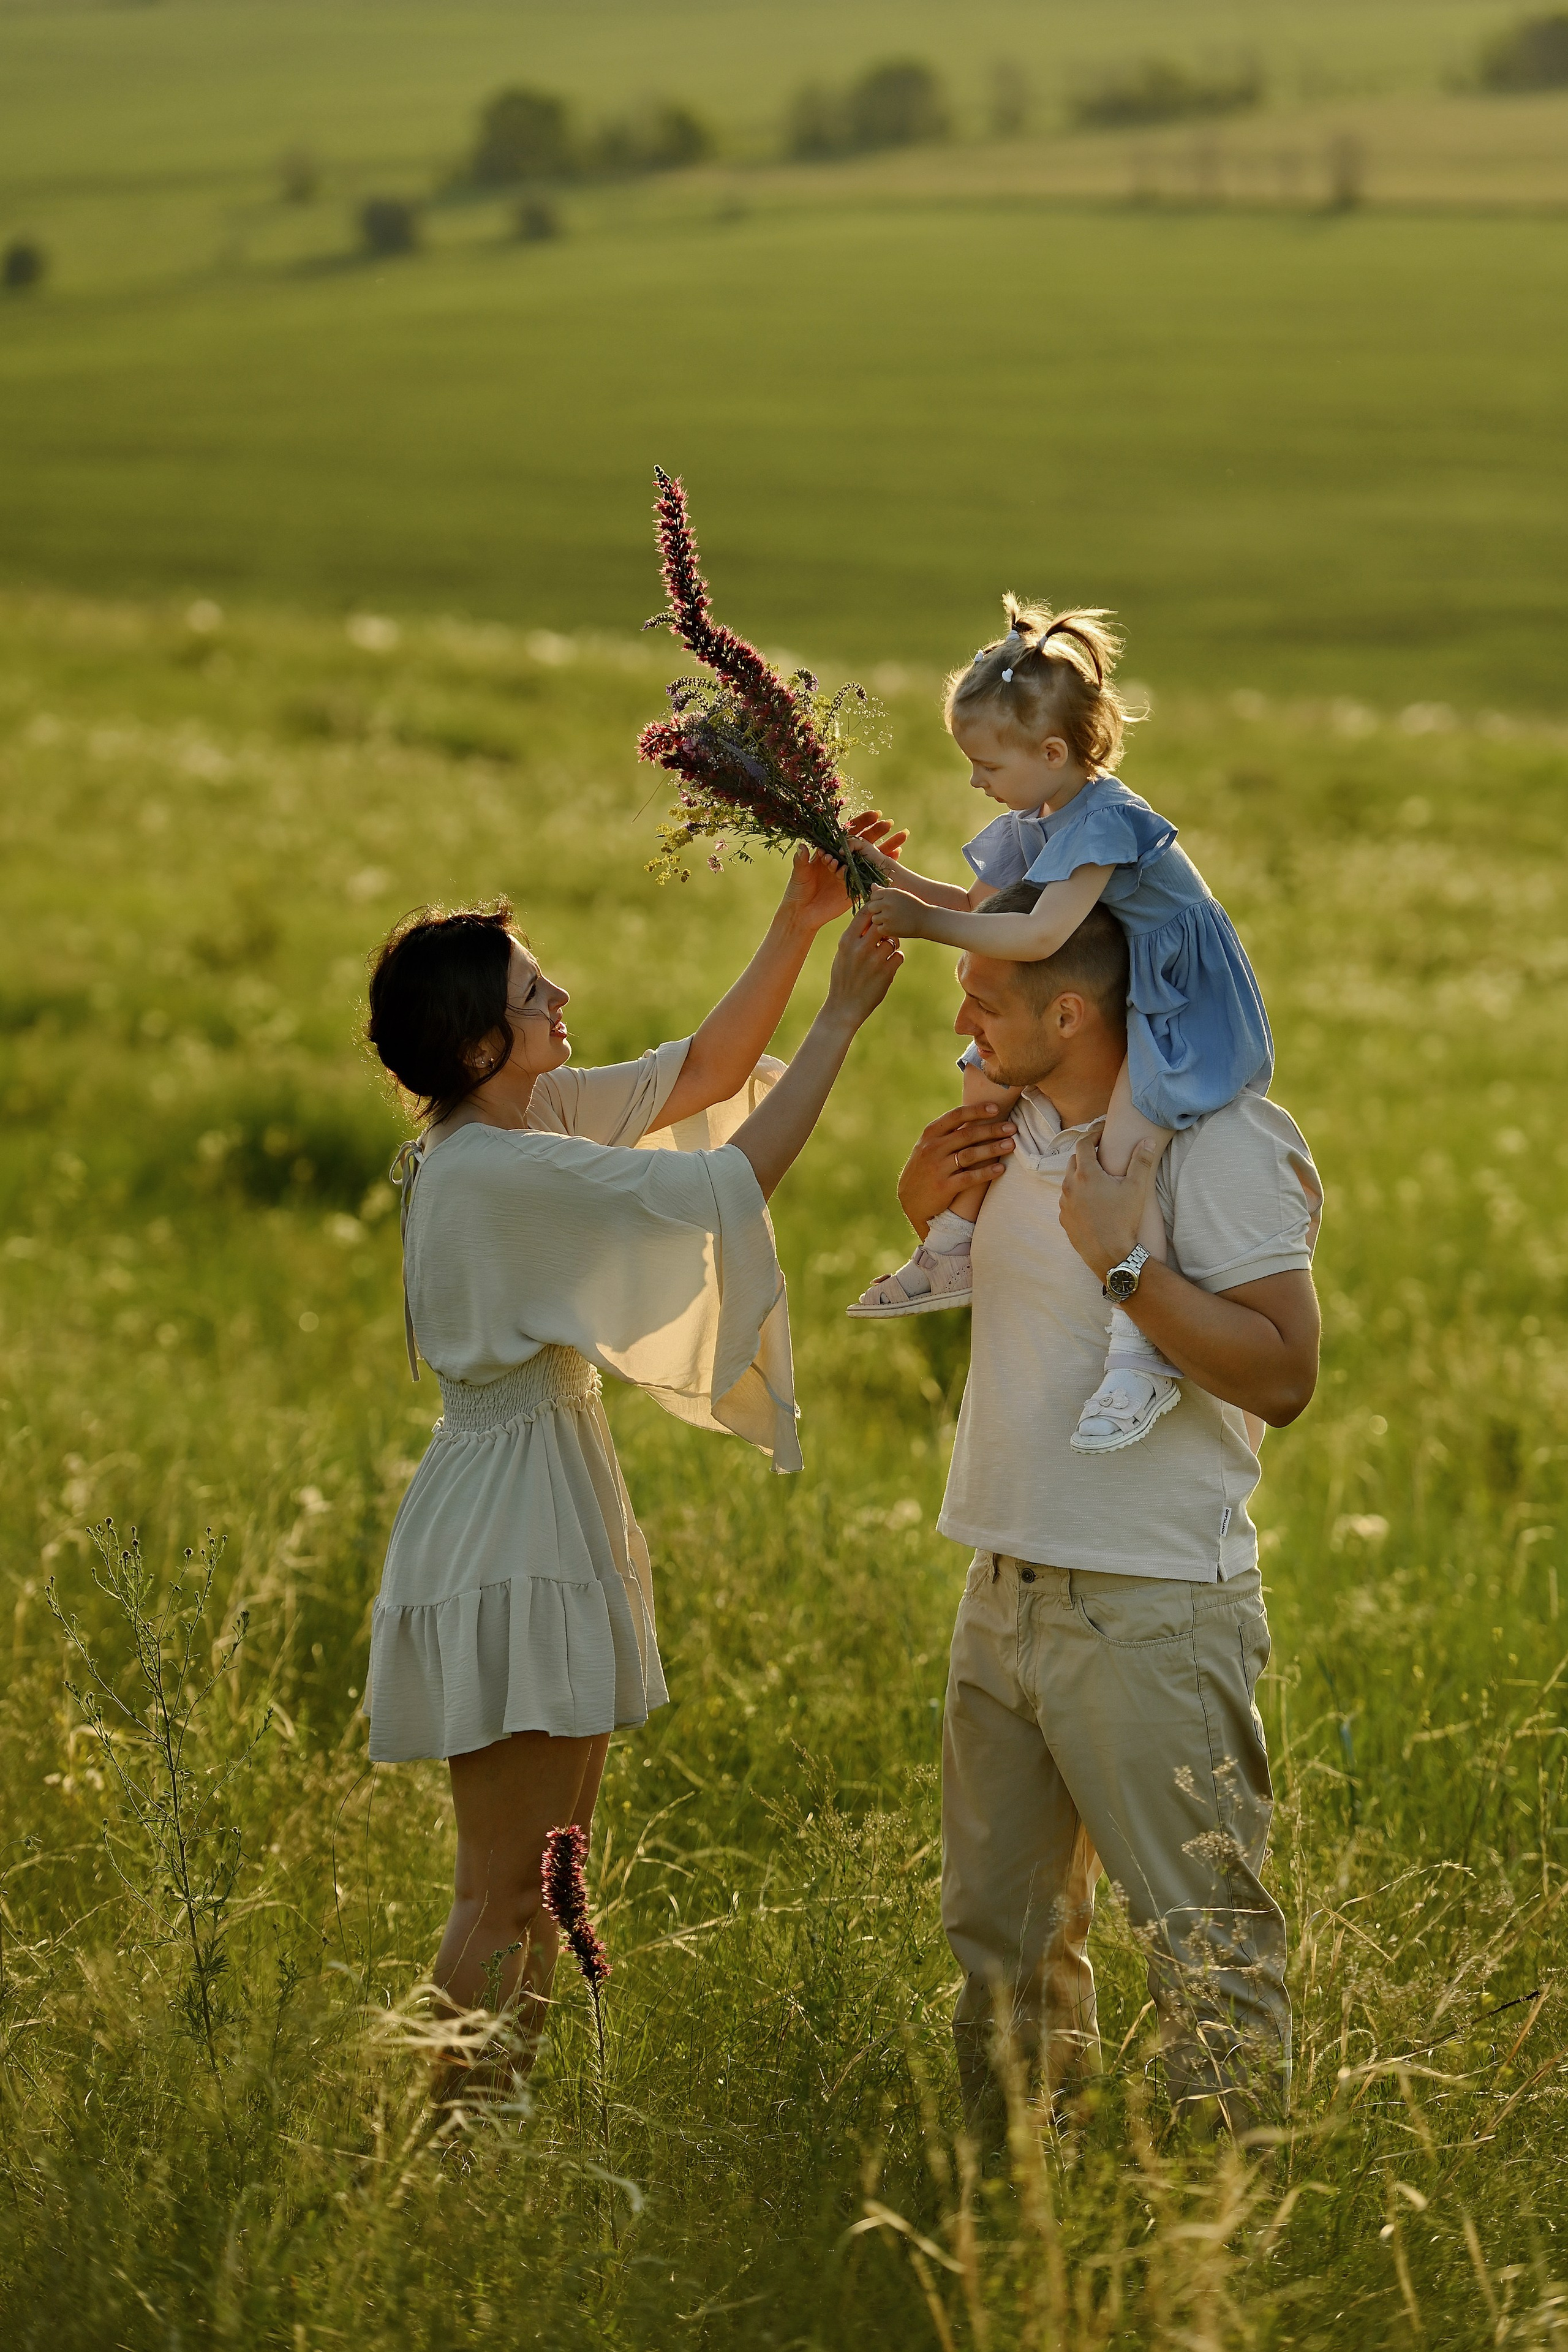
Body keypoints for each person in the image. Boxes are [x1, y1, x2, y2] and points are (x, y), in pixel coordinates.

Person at [361, 839, 902, 2087]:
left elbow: (702, 1075)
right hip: (510, 1525)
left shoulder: (518, 1115)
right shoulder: (500, 1168)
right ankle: (448, 2164)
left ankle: (489, 2146)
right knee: (501, 1896)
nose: (559, 1001)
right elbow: (732, 1178)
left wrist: (797, 920)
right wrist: (837, 1020)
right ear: (478, 1046)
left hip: (542, 1495)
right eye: (531, 997)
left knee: (546, 1885)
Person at [894, 886, 1321, 2135]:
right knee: (999, 1947)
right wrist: (922, 1209)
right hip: (1001, 1588)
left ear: (1070, 1010)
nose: (962, 1014)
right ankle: (1028, 2219)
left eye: (984, 994)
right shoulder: (1009, 1122)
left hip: (1147, 1610)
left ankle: (1217, 2253)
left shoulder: (1222, 1143)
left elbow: (1283, 1375)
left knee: (1205, 1950)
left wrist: (1124, 1263)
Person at [852, 597, 1273, 1460]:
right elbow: (981, 910)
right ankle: (955, 1241)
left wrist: (925, 927)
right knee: (982, 1071)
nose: (976, 782)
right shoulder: (1035, 817)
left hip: (1175, 998)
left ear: (1052, 754)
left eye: (985, 764)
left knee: (1127, 1150)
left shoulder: (1106, 821)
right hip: (1118, 982)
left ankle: (1140, 1350)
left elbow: (1039, 936)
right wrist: (880, 875)